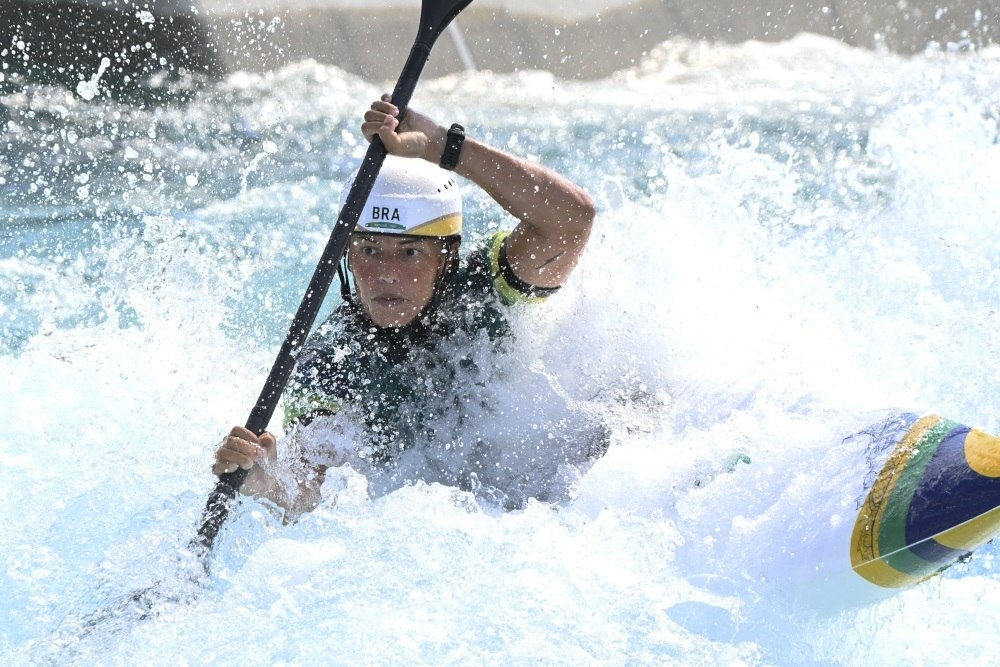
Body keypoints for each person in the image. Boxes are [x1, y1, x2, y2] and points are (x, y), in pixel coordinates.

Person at [212, 94, 598, 516]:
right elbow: (317, 488)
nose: (386, 273)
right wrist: (269, 482)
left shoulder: (486, 285)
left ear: (446, 258)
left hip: (548, 487)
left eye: (410, 252)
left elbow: (572, 219)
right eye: (370, 250)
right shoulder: (332, 359)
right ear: (346, 256)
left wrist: (440, 146)